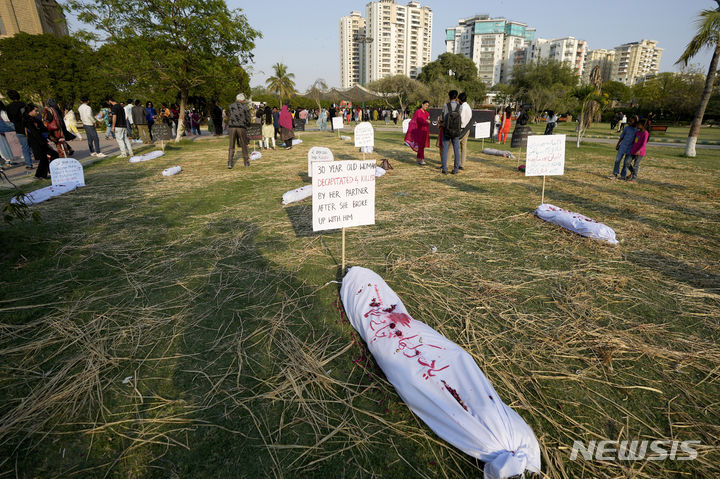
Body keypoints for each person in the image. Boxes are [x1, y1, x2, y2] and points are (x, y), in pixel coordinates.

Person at [24, 104, 58, 179]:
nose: (37, 112)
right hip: (37, 143)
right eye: (35, 111)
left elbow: (43, 129)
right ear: (30, 111)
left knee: (45, 159)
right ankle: (50, 172)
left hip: (41, 142)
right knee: (51, 155)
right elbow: (35, 133)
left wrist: (50, 136)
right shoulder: (28, 121)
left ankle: (40, 175)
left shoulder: (35, 120)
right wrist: (44, 142)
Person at [6, 90, 34, 169]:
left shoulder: (8, 107)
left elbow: (10, 119)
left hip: (18, 128)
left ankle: (29, 164)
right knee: (35, 143)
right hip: (27, 127)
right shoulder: (23, 105)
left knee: (24, 147)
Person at [440, 90, 462, 175]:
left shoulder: (445, 106)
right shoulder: (460, 107)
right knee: (456, 149)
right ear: (456, 97)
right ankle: (456, 168)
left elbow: (442, 117)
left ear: (449, 96)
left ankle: (444, 168)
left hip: (446, 129)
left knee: (445, 149)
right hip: (456, 130)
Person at [227, 93, 251, 168]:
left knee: (231, 145)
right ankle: (246, 162)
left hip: (232, 127)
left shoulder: (231, 106)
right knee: (244, 144)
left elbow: (229, 116)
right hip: (241, 127)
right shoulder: (245, 107)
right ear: (243, 100)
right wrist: (248, 124)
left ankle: (230, 162)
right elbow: (248, 118)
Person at [404, 100, 430, 165]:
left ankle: (418, 159)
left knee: (422, 145)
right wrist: (426, 121)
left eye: (428, 105)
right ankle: (422, 159)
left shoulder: (426, 113)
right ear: (422, 104)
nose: (427, 106)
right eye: (426, 105)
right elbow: (419, 121)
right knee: (420, 145)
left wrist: (427, 121)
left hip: (425, 131)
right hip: (419, 131)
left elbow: (428, 120)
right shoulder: (418, 112)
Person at [626, 118, 649, 182]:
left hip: (640, 153)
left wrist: (639, 150)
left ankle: (634, 178)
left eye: (638, 124)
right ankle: (633, 173)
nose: (637, 126)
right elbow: (635, 142)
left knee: (636, 165)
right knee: (627, 162)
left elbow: (644, 144)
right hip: (633, 151)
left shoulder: (645, 133)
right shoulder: (637, 132)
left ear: (643, 125)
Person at [458, 92, 472, 171]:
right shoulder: (468, 106)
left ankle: (449, 163)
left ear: (460, 99)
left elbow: (461, 119)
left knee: (454, 145)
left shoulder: (462, 107)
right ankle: (462, 164)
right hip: (467, 128)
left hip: (461, 128)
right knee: (463, 147)